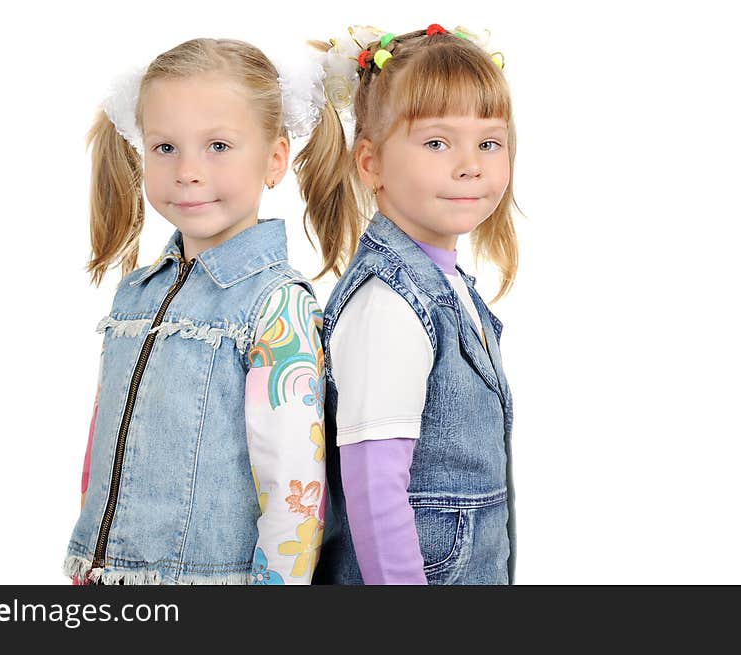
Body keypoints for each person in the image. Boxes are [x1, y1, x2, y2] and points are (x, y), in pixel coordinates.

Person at [63, 38, 325, 585]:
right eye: (165, 148)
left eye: (219, 146)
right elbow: (102, 444)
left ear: (275, 159)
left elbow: (296, 491)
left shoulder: (277, 304)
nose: (187, 171)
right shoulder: (134, 294)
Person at [293, 23, 519, 584]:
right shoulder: (390, 302)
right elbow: (374, 490)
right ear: (370, 164)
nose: (470, 164)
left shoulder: (447, 287)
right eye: (437, 142)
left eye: (488, 142)